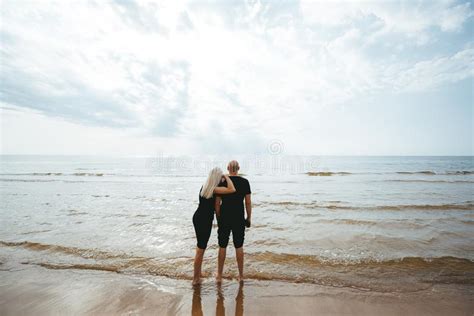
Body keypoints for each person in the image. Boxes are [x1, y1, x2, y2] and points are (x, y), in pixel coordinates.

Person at [192, 167, 236, 285]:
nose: (222, 178)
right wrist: (227, 176)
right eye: (220, 176)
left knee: (200, 248)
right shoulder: (214, 189)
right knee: (201, 249)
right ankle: (195, 279)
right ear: (217, 177)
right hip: (204, 220)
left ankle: (198, 274)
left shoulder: (205, 187)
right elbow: (232, 189)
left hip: (198, 217)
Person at [215, 160, 252, 283]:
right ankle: (241, 276)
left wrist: (219, 217)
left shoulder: (223, 181)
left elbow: (217, 203)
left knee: (222, 245)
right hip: (238, 218)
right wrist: (248, 217)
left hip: (225, 217)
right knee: (239, 246)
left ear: (228, 168)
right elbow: (247, 203)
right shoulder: (245, 182)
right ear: (239, 168)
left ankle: (219, 276)